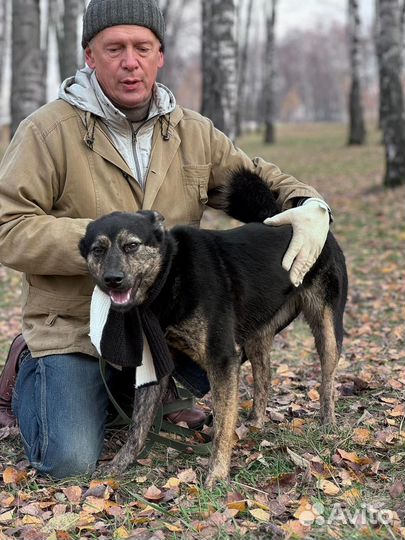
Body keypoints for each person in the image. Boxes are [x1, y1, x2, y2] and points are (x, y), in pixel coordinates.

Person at [0, 0, 331, 479]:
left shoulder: (192, 133)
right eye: (114, 48)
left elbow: (257, 182)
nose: (129, 61)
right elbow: (8, 227)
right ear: (90, 56)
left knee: (218, 344)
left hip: (162, 328)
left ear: (160, 55)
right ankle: (30, 372)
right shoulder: (47, 132)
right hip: (75, 328)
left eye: (142, 47)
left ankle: (137, 394)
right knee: (68, 460)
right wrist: (105, 246)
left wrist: (311, 207)